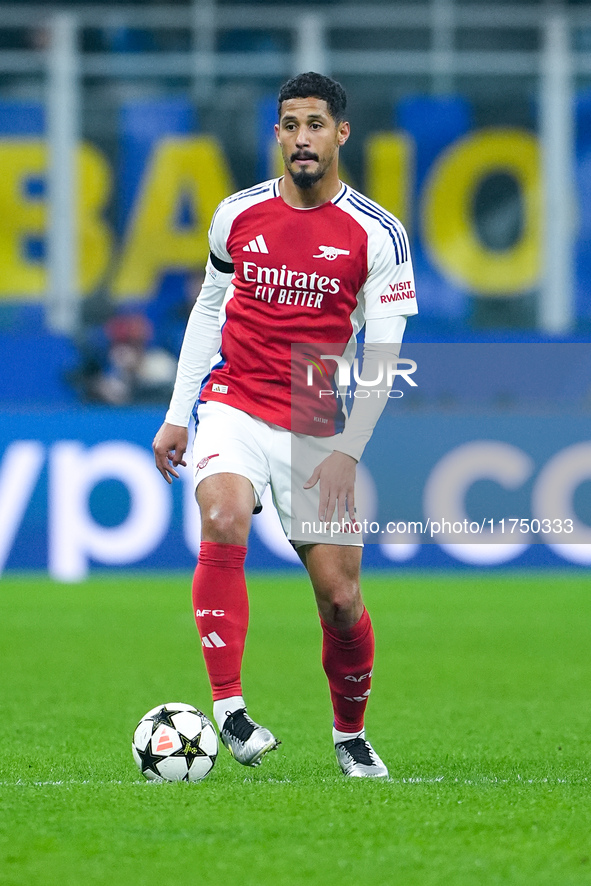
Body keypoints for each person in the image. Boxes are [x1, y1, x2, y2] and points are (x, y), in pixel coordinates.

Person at [153, 72, 418, 777]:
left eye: (315, 125)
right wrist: (180, 415)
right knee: (223, 513)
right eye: (290, 124)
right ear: (277, 133)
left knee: (339, 598)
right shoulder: (235, 215)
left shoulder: (377, 233)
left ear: (340, 134)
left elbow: (382, 356)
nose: (302, 138)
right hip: (233, 400)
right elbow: (209, 310)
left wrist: (347, 452)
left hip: (313, 415)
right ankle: (230, 712)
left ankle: (349, 733)